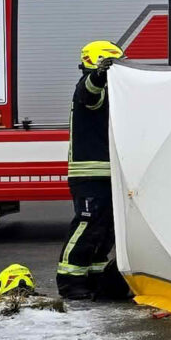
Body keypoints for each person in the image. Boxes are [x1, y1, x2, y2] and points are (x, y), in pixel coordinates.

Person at [57, 40, 132, 301]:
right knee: (87, 224)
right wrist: (100, 74)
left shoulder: (115, 93)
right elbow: (90, 91)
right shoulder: (89, 88)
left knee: (107, 228)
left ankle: (95, 276)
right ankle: (69, 279)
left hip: (110, 173)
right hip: (89, 174)